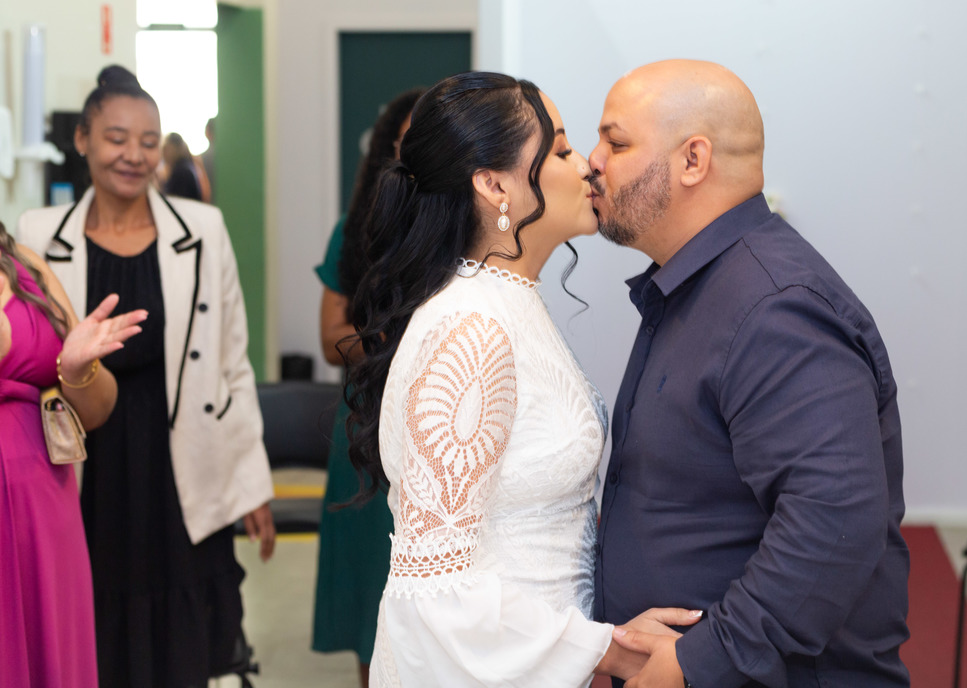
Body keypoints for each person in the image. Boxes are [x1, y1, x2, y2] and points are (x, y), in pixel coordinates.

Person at [344, 71, 699, 687]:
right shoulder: (470, 328)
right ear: (493, 184)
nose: (587, 166)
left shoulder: (507, 302)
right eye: (560, 150)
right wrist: (608, 651)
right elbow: (435, 589)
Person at [590, 60, 911, 687]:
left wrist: (699, 660)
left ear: (693, 160)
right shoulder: (704, 286)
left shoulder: (772, 306)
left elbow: (837, 516)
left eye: (616, 143)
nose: (592, 162)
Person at [17, 65, 276, 688]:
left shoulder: (202, 230)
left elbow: (232, 362)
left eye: (149, 141)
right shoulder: (38, 235)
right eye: (116, 138)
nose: (133, 155)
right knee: (92, 643)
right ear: (82, 139)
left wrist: (252, 483)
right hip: (88, 465)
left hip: (182, 463)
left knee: (182, 653)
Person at [312, 86, 424, 686]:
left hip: (440, 425)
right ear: (385, 151)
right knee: (371, 605)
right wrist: (398, 345)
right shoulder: (353, 230)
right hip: (367, 432)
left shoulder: (467, 230)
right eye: (405, 143)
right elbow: (331, 336)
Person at [0, 223, 145, 688]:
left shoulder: (25, 264)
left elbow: (98, 409)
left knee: (54, 656)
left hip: (45, 510)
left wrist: (78, 370)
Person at [160, 131, 209, 202]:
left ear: (174, 148)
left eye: (165, 149)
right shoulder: (186, 166)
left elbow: (174, 201)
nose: (163, 153)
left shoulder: (181, 171)